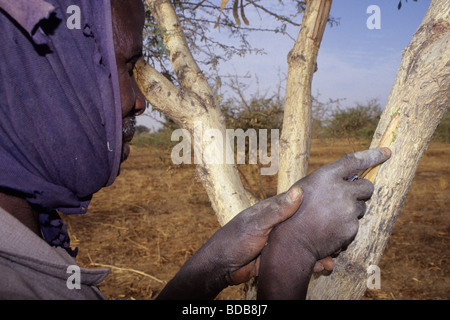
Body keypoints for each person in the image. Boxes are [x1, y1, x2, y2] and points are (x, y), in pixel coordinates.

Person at [0, 0, 391, 300]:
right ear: (37, 77)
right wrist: (292, 254)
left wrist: (211, 267)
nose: (141, 101)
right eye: (125, 65)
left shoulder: (27, 242)